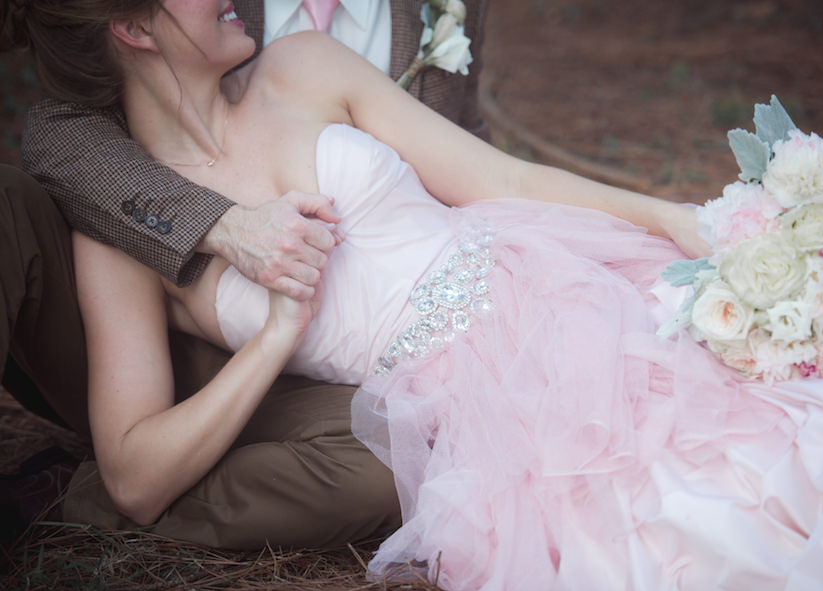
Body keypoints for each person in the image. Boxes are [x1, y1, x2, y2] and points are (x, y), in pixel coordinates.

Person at [8, 2, 823, 591]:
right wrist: (274, 335)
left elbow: (497, 177)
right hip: (458, 403)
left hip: (546, 283)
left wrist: (670, 217)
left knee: (772, 434)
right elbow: (133, 471)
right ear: (132, 28)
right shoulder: (115, 225)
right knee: (666, 529)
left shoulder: (304, 67)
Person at [1, 0, 487, 548]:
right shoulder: (201, 40)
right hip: (176, 317)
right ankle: (101, 493)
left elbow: (469, 151)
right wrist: (226, 228)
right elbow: (61, 135)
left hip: (348, 355)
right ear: (135, 25)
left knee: (412, 449)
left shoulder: (422, 19)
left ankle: (86, 489)